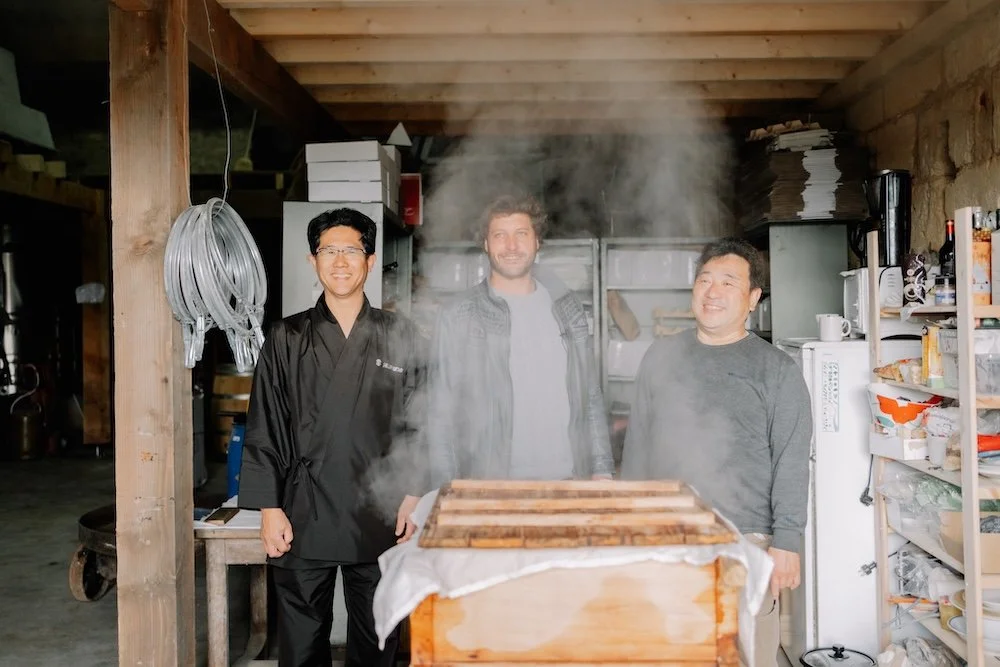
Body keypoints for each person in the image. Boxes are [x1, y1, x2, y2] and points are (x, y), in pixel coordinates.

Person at [238, 208, 425, 667]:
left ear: (371, 259)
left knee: (379, 636)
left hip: (380, 509)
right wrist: (269, 506)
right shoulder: (285, 337)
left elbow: (423, 420)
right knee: (302, 645)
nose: (340, 261)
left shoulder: (402, 334)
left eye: (351, 250)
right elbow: (266, 423)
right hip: (304, 508)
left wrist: (415, 492)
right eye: (329, 251)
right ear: (312, 260)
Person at [619, 237, 811, 667]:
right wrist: (629, 521)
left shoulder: (776, 369)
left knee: (743, 653)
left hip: (747, 538)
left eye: (728, 282)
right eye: (705, 280)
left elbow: (792, 458)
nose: (713, 291)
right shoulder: (661, 356)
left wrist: (787, 541)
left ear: (753, 298)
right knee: (668, 650)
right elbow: (638, 445)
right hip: (668, 534)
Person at [424, 193, 614, 488]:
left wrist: (602, 468)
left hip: (568, 480)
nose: (511, 246)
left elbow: (589, 394)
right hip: (490, 485)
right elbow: (440, 412)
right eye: (500, 235)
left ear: (537, 242)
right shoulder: (459, 315)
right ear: (486, 244)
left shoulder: (567, 307)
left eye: (521, 234)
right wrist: (446, 489)